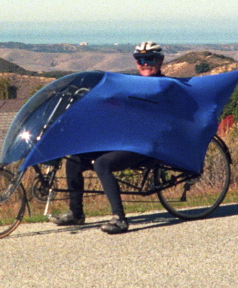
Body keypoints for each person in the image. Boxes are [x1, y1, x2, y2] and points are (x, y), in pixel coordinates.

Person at [50, 41, 166, 234]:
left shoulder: (164, 86)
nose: (144, 63)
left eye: (150, 59)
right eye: (140, 60)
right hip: (122, 140)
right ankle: (76, 213)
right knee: (75, 160)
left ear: (160, 61)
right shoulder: (132, 84)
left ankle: (120, 219)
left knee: (102, 164)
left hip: (144, 145)